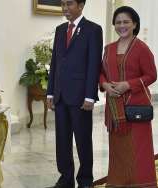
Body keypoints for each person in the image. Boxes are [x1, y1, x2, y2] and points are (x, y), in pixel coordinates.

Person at [46, 0, 103, 187]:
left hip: (81, 98)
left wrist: (89, 95)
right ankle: (66, 178)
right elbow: (55, 62)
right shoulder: (60, 29)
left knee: (83, 140)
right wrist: (50, 93)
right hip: (61, 95)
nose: (65, 8)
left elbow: (94, 64)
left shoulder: (93, 30)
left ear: (81, 5)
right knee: (62, 141)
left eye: (69, 3)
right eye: (62, 4)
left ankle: (85, 179)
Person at [99, 6, 157, 187]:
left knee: (138, 151)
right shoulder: (108, 49)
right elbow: (100, 73)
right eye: (118, 22)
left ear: (134, 24)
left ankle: (141, 183)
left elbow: (151, 75)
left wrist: (128, 85)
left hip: (135, 109)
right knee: (118, 150)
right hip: (115, 110)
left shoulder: (141, 48)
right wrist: (105, 85)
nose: (121, 25)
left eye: (126, 22)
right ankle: (118, 182)